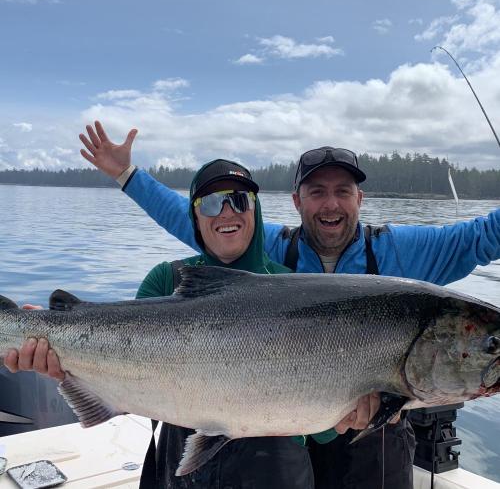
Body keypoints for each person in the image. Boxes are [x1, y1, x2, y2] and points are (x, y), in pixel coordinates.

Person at [78, 123, 500, 489]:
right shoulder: (273, 248)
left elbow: (480, 237)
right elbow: (202, 218)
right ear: (297, 202)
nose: (330, 204)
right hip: (291, 418)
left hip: (375, 437)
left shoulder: (401, 253)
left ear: (360, 199)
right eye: (317, 192)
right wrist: (128, 175)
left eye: (343, 191)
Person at [4, 150, 381, 488]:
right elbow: (117, 374)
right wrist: (62, 362)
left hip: (277, 471)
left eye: (238, 199)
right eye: (212, 202)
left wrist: (346, 418)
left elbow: (322, 434)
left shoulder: (295, 292)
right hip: (181, 468)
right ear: (195, 216)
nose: (227, 212)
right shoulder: (166, 280)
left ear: (255, 209)